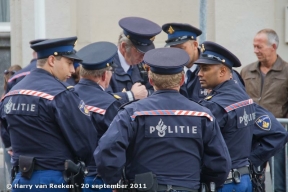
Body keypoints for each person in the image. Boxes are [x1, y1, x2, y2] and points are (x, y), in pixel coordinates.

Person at [95, 47, 231, 191]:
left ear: (150, 79)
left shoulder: (132, 113)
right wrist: (201, 184)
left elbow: (107, 151)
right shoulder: (204, 115)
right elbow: (220, 163)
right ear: (182, 79)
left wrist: (116, 182)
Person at [0, 37, 97, 192]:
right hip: (54, 179)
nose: (73, 70)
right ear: (52, 60)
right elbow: (86, 141)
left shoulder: (12, 93)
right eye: (69, 63)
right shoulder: (60, 94)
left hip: (21, 180)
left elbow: (7, 137)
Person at [195, 41, 288, 192]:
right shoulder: (244, 99)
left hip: (222, 183)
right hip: (243, 179)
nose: (199, 73)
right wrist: (250, 162)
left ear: (222, 71)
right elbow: (278, 132)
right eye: (199, 68)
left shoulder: (215, 106)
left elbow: (196, 144)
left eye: (205, 69)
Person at [240, 29, 288, 192]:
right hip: (253, 134)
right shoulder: (247, 71)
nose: (255, 51)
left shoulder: (286, 71)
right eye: (254, 46)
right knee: (252, 177)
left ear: (273, 46)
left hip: (277, 135)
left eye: (259, 47)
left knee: (279, 183)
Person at [74, 41, 124, 192]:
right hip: (98, 178)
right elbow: (115, 145)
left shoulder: (66, 97)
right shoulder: (109, 104)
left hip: (68, 175)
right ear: (104, 75)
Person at [162, 23, 245, 101]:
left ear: (194, 45)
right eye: (173, 49)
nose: (177, 54)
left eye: (181, 48)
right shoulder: (172, 72)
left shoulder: (216, 70)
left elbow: (239, 103)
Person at [106, 16, 162, 102]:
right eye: (139, 52)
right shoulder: (106, 66)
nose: (143, 57)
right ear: (124, 46)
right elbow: (103, 100)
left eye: (146, 52)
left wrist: (146, 93)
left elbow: (158, 91)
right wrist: (130, 96)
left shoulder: (144, 64)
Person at [1, 64, 22, 178]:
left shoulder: (5, 96)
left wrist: (8, 146)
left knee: (11, 175)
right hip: (18, 142)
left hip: (9, 141)